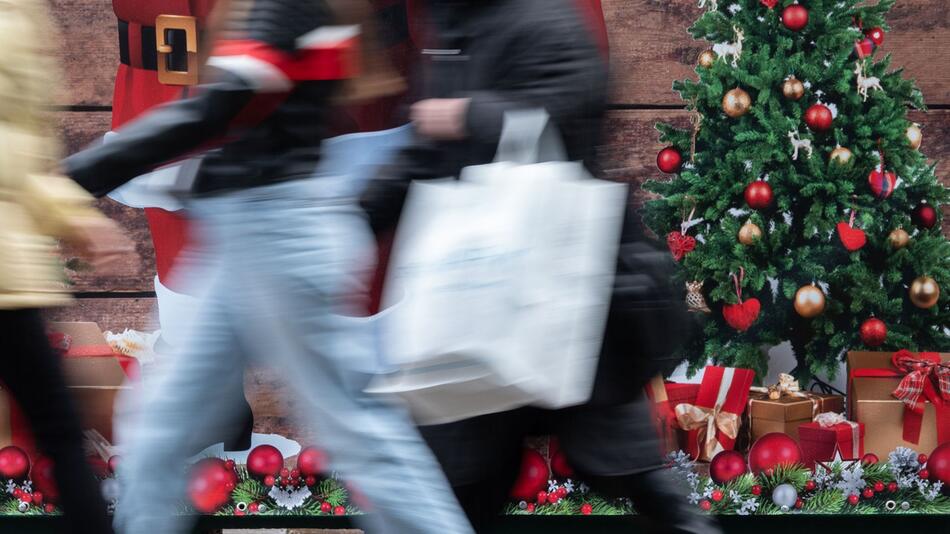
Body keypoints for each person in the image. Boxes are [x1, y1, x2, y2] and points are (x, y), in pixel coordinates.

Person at [62, 1, 473, 533]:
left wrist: (74, 177)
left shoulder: (286, 7)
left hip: (276, 237)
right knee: (161, 432)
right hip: (249, 233)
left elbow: (216, 109)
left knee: (363, 438)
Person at [361, 1, 718, 532]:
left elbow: (571, 114)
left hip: (563, 296)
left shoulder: (543, 17)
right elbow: (425, 151)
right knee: (454, 493)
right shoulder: (451, 29)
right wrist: (358, 216)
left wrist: (466, 115)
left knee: (633, 477)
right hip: (475, 305)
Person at [0, 1, 133, 532]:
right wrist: (75, 217)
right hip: (10, 275)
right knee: (58, 430)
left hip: (12, 269)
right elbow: (19, 157)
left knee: (56, 429)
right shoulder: (17, 18)